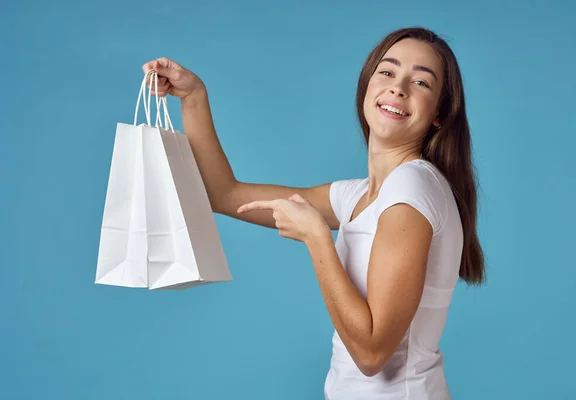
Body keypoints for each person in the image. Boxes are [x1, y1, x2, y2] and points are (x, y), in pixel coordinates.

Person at [142, 26, 485, 400]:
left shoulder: (410, 190)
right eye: (387, 72)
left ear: (439, 115)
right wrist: (193, 96)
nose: (398, 88)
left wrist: (317, 238)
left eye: (421, 83)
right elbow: (224, 194)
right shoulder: (361, 196)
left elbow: (371, 353)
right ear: (367, 86)